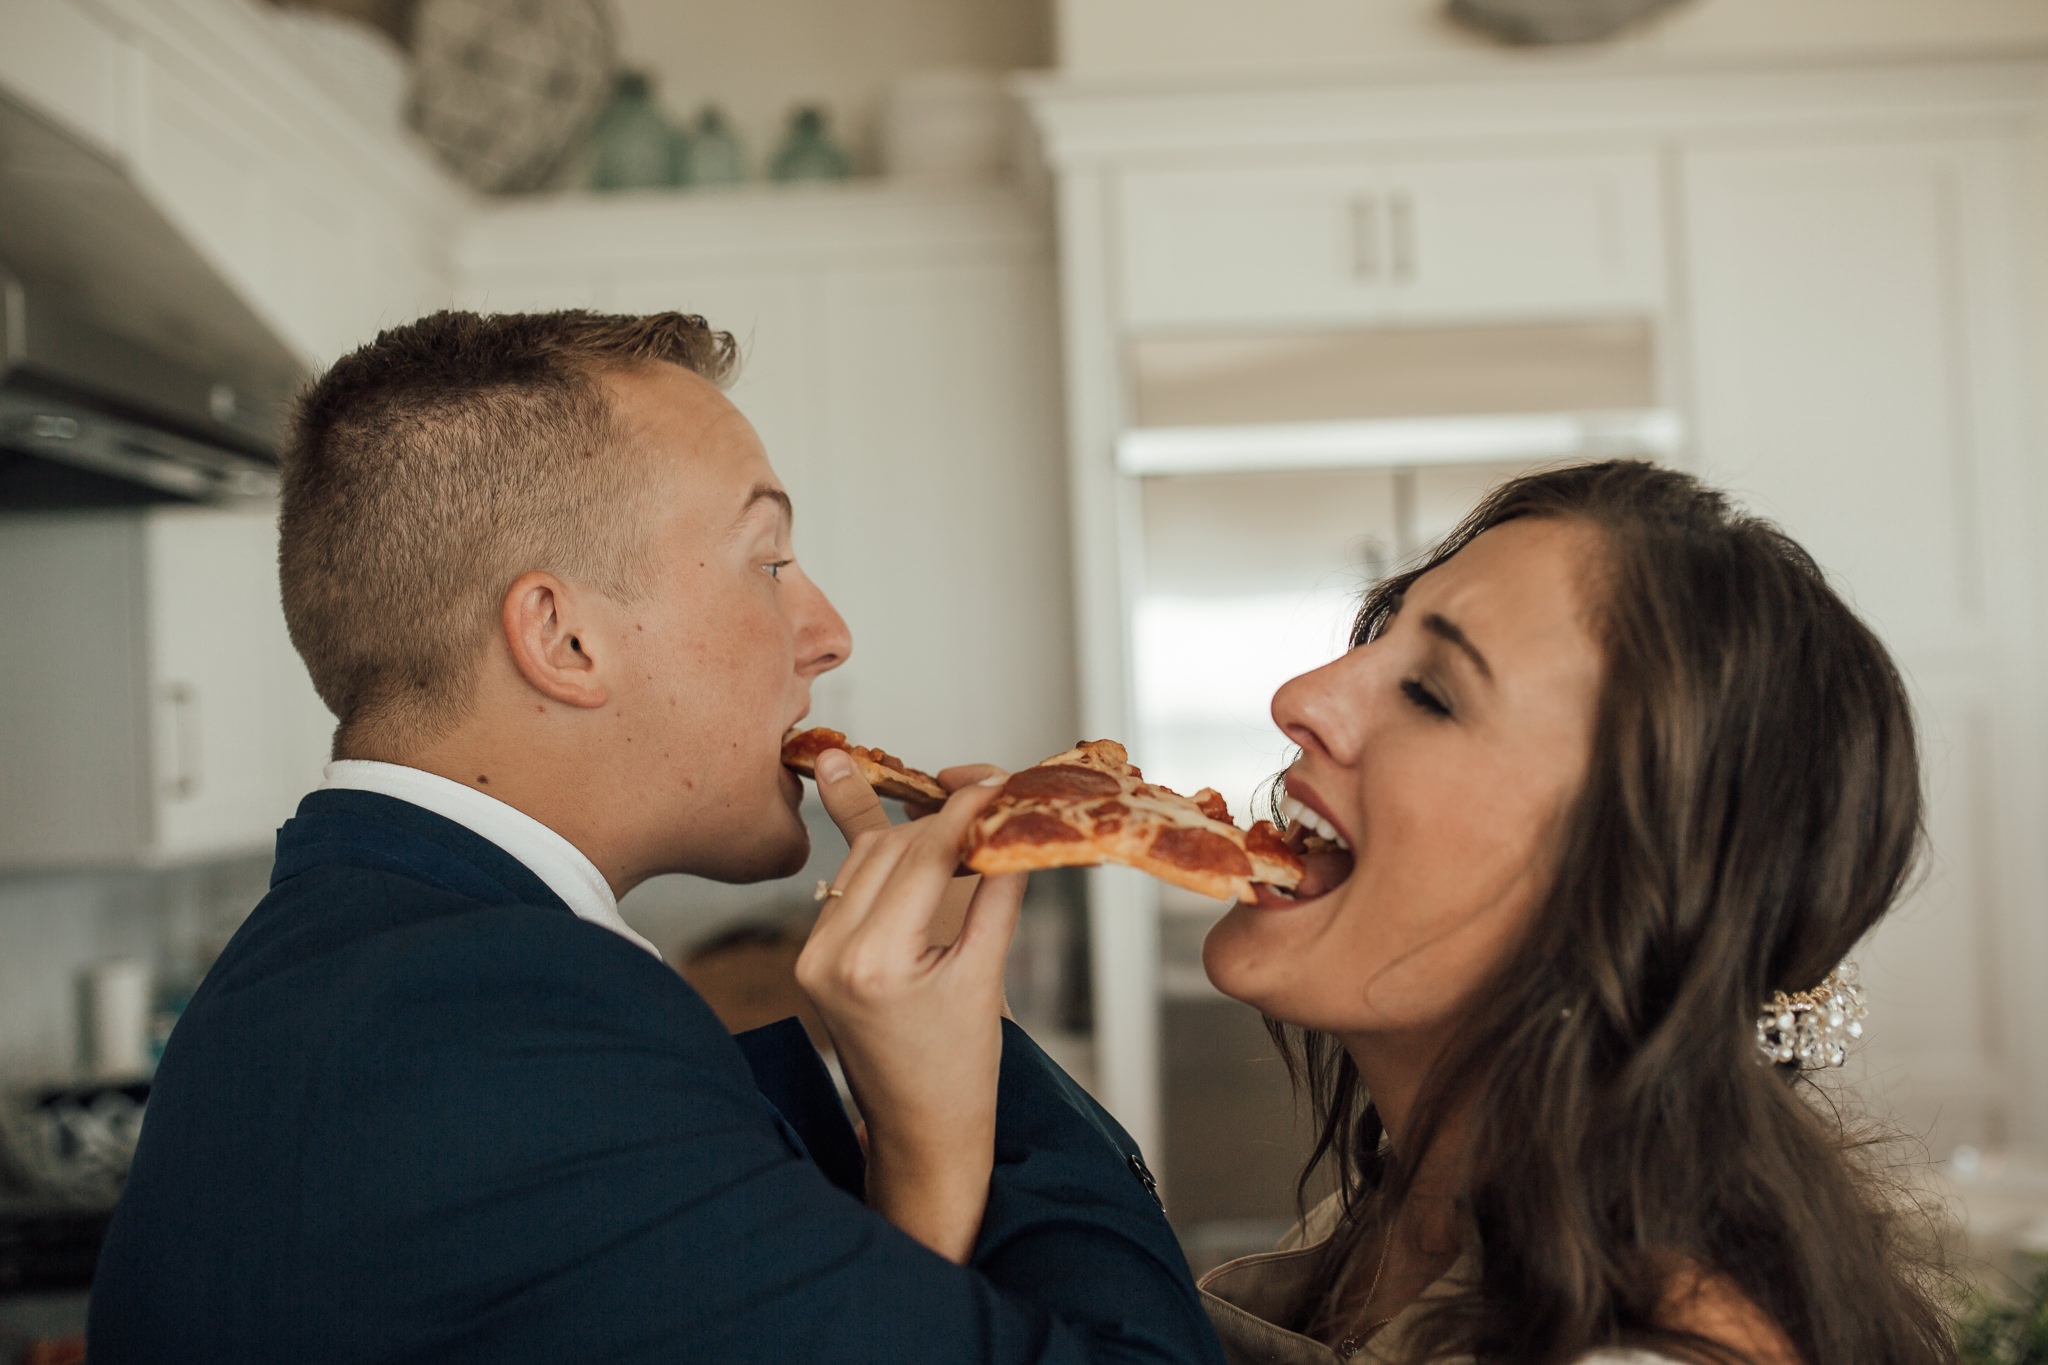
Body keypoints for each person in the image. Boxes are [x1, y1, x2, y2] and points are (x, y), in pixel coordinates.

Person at [86, 310, 1223, 1365]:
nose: (826, 633)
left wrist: (924, 1145)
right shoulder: (492, 1016)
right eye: (768, 562)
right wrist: (990, 1062)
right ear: (565, 638)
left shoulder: (373, 958)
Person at [808, 461, 1956, 1365]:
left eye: (1430, 692)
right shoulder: (1385, 1230)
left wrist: (937, 1159)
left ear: (1631, 884)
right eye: (1382, 636)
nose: (1298, 699)